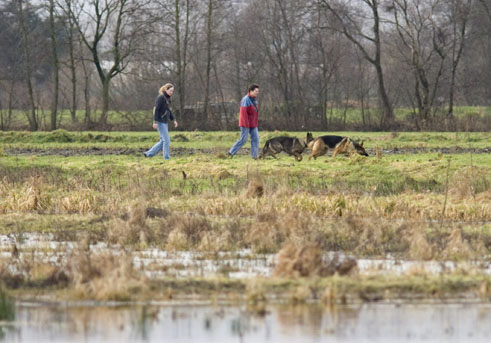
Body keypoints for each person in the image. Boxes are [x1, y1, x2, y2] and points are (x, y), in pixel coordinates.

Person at [144, 83, 179, 160]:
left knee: (162, 141)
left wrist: (174, 120)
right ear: (166, 89)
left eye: (172, 91)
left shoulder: (168, 99)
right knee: (167, 140)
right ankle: (166, 158)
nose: (171, 92)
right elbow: (156, 110)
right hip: (160, 122)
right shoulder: (160, 98)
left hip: (165, 122)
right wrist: (155, 121)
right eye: (170, 91)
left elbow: (169, 111)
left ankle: (148, 154)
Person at [228, 84, 260, 159]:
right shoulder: (245, 100)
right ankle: (231, 153)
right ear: (251, 91)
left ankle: (254, 156)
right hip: (245, 124)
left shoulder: (255, 100)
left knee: (256, 139)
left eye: (258, 91)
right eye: (256, 91)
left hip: (253, 124)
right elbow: (243, 114)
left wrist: (255, 123)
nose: (257, 92)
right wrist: (246, 124)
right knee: (243, 140)